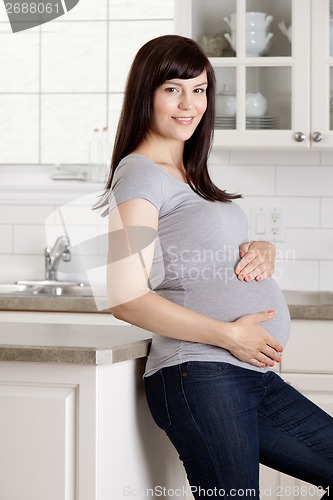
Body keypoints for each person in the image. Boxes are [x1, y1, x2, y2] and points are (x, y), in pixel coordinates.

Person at [97, 35, 333, 499]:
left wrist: (259, 247)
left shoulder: (187, 173)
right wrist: (230, 335)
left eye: (200, 89)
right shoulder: (140, 172)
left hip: (248, 376)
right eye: (173, 89)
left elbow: (198, 252)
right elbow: (124, 295)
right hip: (201, 374)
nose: (189, 103)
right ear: (146, 92)